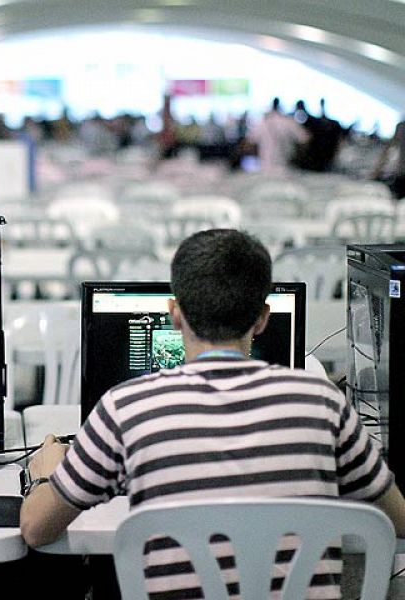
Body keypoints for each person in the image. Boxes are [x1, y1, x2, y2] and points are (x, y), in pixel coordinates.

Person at [20, 229, 405, 599]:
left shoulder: (124, 409)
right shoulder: (325, 403)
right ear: (262, 319)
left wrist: (45, 475)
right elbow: (399, 520)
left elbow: (36, 531)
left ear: (174, 313)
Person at [246, 97, 309, 174]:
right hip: (287, 169)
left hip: (265, 169)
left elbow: (249, 144)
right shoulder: (289, 122)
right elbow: (305, 139)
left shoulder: (261, 123)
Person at [371, 118, 405, 200]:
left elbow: (387, 150)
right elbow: (388, 150)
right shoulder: (402, 126)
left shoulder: (402, 126)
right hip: (400, 174)